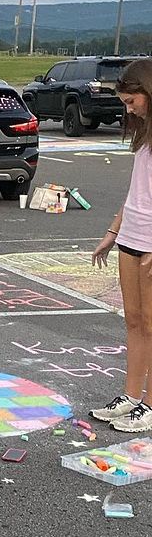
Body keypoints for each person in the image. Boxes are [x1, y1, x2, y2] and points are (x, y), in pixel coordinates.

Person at [90, 58, 152, 432]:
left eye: (132, 101)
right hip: (131, 236)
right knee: (133, 321)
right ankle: (131, 396)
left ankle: (150, 405)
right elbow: (136, 192)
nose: (128, 110)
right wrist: (113, 232)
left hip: (151, 243)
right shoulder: (144, 136)